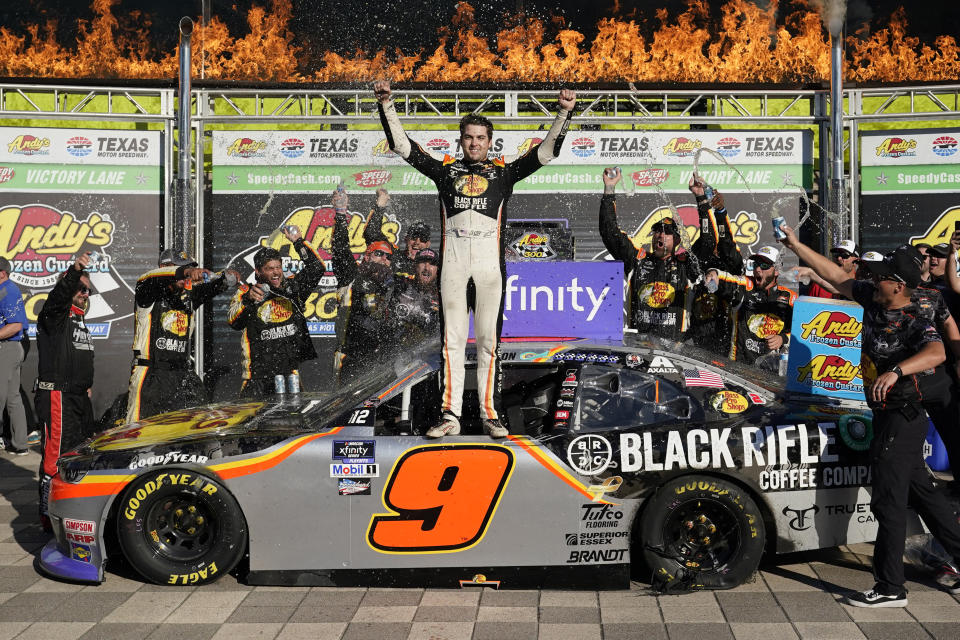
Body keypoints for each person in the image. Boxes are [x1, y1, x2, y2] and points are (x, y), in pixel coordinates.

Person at [374, 79, 576, 439]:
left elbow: (545, 154)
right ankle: (448, 416)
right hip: (452, 266)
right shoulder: (445, 172)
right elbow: (402, 147)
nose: (474, 143)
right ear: (461, 140)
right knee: (452, 342)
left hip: (488, 269)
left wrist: (563, 112)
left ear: (489, 141)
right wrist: (387, 104)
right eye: (468, 137)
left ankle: (490, 414)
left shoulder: (504, 173)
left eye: (481, 138)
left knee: (488, 343)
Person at [779, 228, 960, 607]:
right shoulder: (875, 299)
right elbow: (837, 275)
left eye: (882, 275)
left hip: (903, 416)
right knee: (924, 494)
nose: (873, 278)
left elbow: (937, 352)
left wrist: (898, 371)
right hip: (888, 416)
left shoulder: (914, 317)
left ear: (897, 285)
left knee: (888, 501)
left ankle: (891, 587)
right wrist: (796, 246)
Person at [125, 250, 240, 422]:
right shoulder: (147, 291)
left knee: (203, 425)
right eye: (182, 269)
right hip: (151, 374)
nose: (187, 275)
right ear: (164, 268)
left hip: (183, 374)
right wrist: (184, 272)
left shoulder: (190, 295)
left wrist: (226, 278)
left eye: (189, 270)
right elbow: (149, 277)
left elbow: (212, 286)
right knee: (140, 433)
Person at [600, 168, 703, 342]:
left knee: (692, 371)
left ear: (678, 240)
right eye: (657, 231)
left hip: (678, 351)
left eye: (667, 232)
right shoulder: (638, 259)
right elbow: (609, 232)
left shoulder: (687, 264)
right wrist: (609, 189)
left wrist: (701, 197)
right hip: (639, 348)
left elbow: (708, 242)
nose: (660, 235)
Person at [228, 226, 325, 397]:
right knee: (252, 422)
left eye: (278, 267)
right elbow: (233, 322)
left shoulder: (293, 288)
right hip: (257, 376)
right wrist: (248, 300)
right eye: (269, 268)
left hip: (290, 374)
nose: (276, 272)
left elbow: (317, 268)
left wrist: (298, 242)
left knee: (294, 421)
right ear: (258, 272)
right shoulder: (247, 293)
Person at [36, 253, 95, 531]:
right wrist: (75, 271)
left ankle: (74, 511)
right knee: (55, 459)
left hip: (79, 397)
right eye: (80, 288)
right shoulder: (54, 315)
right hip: (57, 395)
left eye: (87, 290)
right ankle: (48, 518)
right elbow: (59, 297)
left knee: (81, 456)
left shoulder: (81, 320)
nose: (85, 293)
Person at [331, 186, 397, 385]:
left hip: (383, 357)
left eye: (387, 256)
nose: (383, 258)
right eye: (378, 253)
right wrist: (341, 213)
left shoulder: (393, 283)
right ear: (367, 255)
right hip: (350, 355)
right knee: (345, 407)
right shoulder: (351, 274)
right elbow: (341, 247)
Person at [705, 245, 796, 370]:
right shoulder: (745, 285)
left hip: (772, 373)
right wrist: (713, 272)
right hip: (739, 368)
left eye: (764, 265)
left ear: (776, 270)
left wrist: (783, 338)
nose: (758, 269)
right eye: (756, 264)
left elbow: (804, 333)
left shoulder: (790, 298)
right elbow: (724, 278)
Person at [686, 176, 743, 354]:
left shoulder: (732, 263)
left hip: (724, 337)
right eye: (714, 244)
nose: (717, 247)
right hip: (696, 336)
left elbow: (726, 243)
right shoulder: (701, 257)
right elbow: (707, 235)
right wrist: (701, 199)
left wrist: (720, 212)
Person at [0, 258, 29, 455]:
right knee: (12, 398)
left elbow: (16, 325)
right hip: (11, 348)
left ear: (2, 273)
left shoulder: (7, 290)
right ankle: (20, 445)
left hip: (6, 348)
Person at [389, 248, 441, 349]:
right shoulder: (400, 285)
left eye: (432, 264)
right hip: (395, 351)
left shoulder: (443, 295)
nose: (426, 267)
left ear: (437, 269)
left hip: (428, 353)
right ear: (414, 267)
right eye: (422, 262)